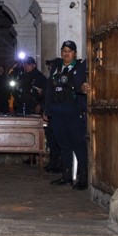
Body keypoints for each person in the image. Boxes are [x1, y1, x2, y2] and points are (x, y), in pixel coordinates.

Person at [44, 40, 89, 190]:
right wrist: (47, 110)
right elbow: (49, 90)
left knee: (78, 144)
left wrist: (83, 88)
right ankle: (67, 175)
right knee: (63, 144)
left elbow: (81, 84)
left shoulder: (80, 67)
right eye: (64, 50)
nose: (66, 53)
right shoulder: (56, 67)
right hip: (57, 111)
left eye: (69, 51)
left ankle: (83, 178)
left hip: (73, 110)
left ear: (75, 53)